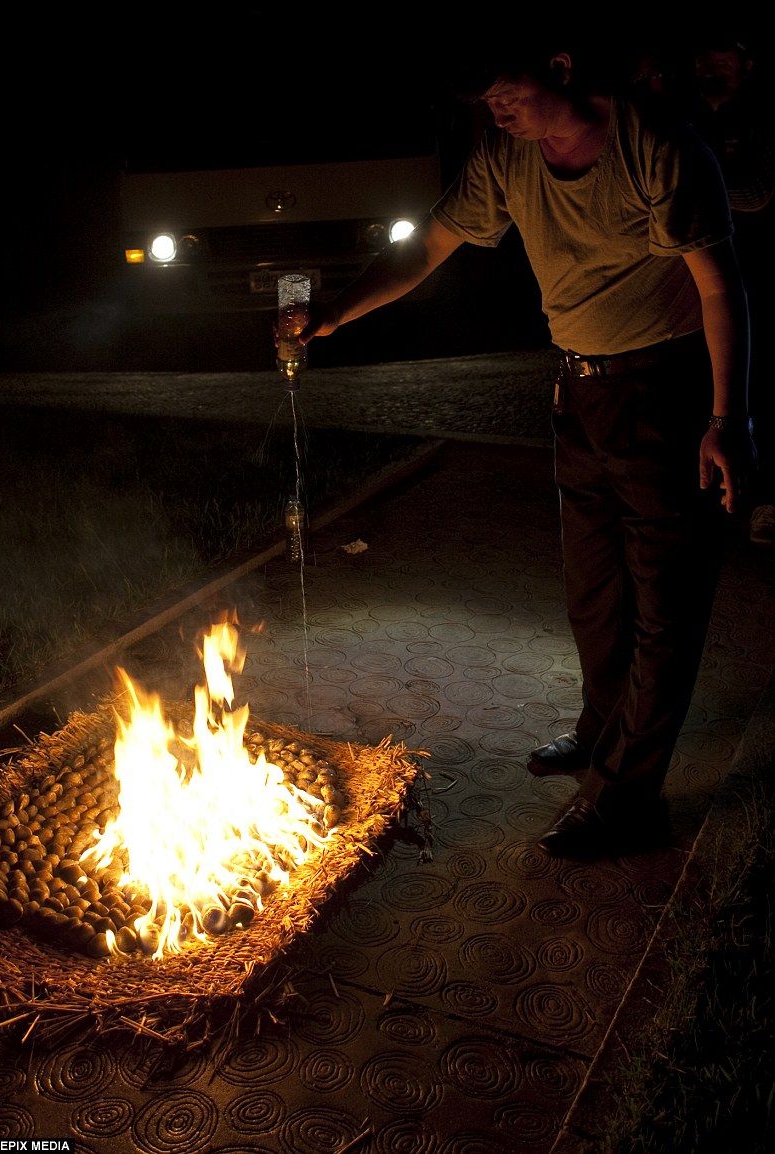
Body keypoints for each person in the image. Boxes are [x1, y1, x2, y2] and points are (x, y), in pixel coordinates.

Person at [294, 36, 754, 860]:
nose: (494, 112)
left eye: (504, 92)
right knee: (594, 589)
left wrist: (727, 418)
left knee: (664, 605)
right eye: (484, 102)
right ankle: (601, 731)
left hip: (663, 389)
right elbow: (427, 248)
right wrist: (336, 312)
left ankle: (626, 799)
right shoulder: (507, 157)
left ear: (562, 66)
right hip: (578, 391)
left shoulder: (654, 146)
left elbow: (721, 287)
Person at [686, 33, 775, 547]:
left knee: (757, 384)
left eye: (720, 57)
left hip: (756, 273)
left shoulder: (759, 120)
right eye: (703, 56)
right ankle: (715, 495)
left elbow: (759, 194)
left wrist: (690, 195)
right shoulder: (689, 117)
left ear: (745, 63)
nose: (708, 66)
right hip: (702, 280)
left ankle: (764, 500)